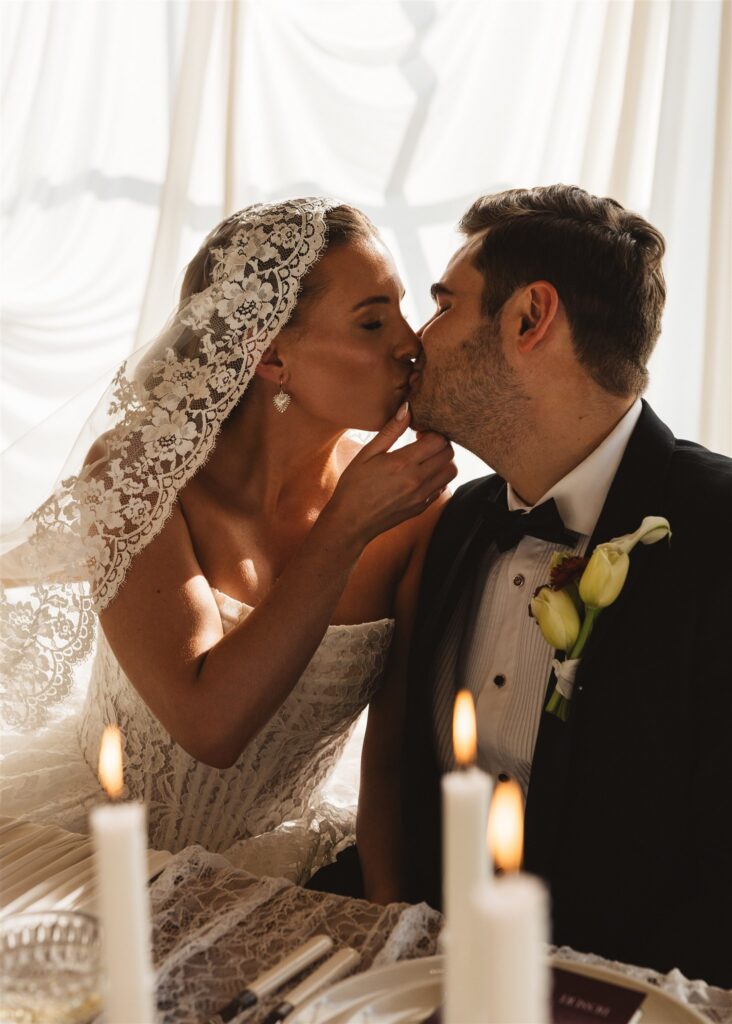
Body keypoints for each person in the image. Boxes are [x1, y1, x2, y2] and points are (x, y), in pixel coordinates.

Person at [0, 198, 456, 895]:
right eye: (372, 321)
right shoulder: (138, 472)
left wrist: (389, 929)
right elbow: (209, 725)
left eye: (401, 310)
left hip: (282, 876)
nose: (410, 342)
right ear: (271, 355)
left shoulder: (413, 515)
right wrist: (343, 528)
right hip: (86, 863)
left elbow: (389, 761)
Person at [397, 185, 732, 985]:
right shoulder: (455, 526)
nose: (417, 339)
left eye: (444, 306)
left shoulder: (720, 532)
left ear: (528, 318)